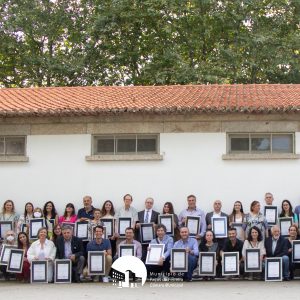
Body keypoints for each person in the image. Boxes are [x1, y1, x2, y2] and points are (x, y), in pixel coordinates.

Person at [136, 197, 160, 261]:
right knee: (142, 256)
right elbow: (135, 225)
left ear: (152, 204)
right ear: (145, 203)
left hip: (152, 239)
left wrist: (156, 225)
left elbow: (159, 226)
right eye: (148, 202)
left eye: (151, 203)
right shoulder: (139, 213)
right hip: (141, 239)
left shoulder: (157, 214)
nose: (149, 204)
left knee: (151, 257)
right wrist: (137, 225)